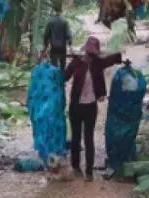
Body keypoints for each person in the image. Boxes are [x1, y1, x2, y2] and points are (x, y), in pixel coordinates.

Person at [64, 36, 123, 181]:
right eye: (89, 54)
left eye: (93, 55)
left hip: (90, 107)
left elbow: (112, 59)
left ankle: (89, 171)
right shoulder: (76, 63)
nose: (90, 57)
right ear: (85, 52)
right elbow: (64, 77)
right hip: (76, 106)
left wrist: (121, 57)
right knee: (76, 138)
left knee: (89, 138)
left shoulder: (98, 63)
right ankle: (76, 167)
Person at [42, 1, 71, 71]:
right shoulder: (65, 21)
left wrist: (45, 46)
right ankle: (61, 80)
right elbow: (68, 35)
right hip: (62, 47)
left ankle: (54, 80)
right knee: (62, 66)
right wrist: (70, 44)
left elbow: (46, 35)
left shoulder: (50, 21)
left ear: (54, 10)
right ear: (61, 11)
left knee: (54, 66)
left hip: (54, 47)